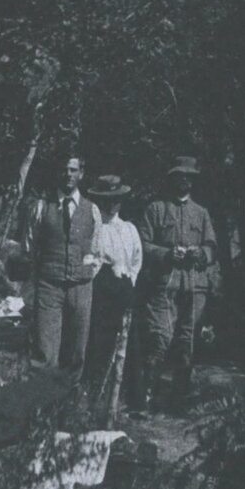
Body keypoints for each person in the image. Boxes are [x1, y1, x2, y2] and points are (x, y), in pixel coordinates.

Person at [130, 155, 219, 410]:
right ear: (172, 178)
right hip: (163, 286)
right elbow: (142, 245)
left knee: (186, 343)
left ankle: (180, 400)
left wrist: (202, 253)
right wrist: (167, 254)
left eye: (189, 177)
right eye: (180, 176)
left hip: (194, 287)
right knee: (159, 339)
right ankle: (144, 399)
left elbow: (212, 247)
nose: (185, 180)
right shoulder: (156, 209)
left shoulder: (201, 213)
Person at [21, 153, 101, 373]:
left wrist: (85, 272)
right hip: (49, 286)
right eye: (65, 169)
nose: (68, 174)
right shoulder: (41, 207)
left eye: (73, 170)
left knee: (76, 351)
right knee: (45, 351)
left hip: (81, 287)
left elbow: (97, 251)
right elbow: (29, 246)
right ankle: (42, 404)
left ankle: (70, 404)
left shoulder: (92, 210)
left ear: (81, 174)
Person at [84, 174, 142, 413]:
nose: (111, 205)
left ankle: (133, 399)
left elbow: (137, 260)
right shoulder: (95, 229)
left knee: (131, 343)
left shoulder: (129, 229)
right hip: (102, 288)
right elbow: (89, 258)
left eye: (116, 200)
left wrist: (128, 280)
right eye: (106, 200)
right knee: (100, 342)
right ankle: (95, 396)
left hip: (125, 287)